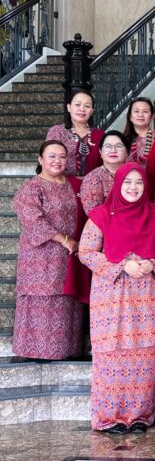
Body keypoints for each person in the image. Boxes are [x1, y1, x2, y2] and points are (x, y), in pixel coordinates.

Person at [79, 163, 155, 434]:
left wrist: (153, 264)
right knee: (112, 355)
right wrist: (121, 266)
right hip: (112, 296)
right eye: (127, 182)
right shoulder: (101, 215)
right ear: (117, 185)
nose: (133, 187)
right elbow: (86, 252)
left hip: (147, 295)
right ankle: (110, 417)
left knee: (145, 355)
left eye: (138, 182)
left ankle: (141, 416)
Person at [11, 140, 84, 359]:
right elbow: (34, 220)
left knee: (66, 297)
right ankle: (35, 351)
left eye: (62, 156)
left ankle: (67, 350)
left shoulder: (73, 184)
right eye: (52, 156)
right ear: (40, 159)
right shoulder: (33, 188)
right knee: (41, 299)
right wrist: (64, 240)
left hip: (69, 255)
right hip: (40, 258)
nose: (57, 161)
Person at [46, 90, 104, 177]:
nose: (82, 109)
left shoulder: (100, 135)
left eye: (87, 106)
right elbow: (49, 161)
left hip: (93, 183)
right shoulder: (57, 132)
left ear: (92, 111)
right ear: (69, 107)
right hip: (62, 182)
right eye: (77, 104)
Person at [124, 97, 155, 201]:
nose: (140, 115)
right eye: (136, 111)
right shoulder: (122, 141)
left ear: (152, 116)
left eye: (145, 111)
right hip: (128, 193)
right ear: (130, 117)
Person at [80, 131, 128, 215]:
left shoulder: (134, 173)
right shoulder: (92, 178)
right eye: (108, 146)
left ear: (126, 152)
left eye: (118, 146)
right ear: (100, 152)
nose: (113, 150)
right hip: (108, 222)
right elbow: (94, 214)